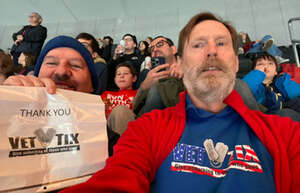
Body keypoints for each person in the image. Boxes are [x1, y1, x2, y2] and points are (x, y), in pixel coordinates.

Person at [60, 12, 300, 193]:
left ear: (237, 64)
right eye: (198, 45)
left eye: (222, 43)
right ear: (182, 63)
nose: (211, 51)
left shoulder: (286, 133)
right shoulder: (147, 130)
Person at [4, 35, 99, 95]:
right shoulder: (14, 105)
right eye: (51, 63)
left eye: (75, 65)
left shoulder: (112, 124)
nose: (61, 72)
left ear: (92, 85)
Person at [134, 36, 185, 116]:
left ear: (173, 49)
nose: (155, 49)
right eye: (151, 49)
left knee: (156, 90)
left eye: (160, 44)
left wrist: (186, 72)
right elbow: (134, 108)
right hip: (144, 120)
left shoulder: (188, 69)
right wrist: (143, 87)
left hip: (178, 118)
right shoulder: (149, 77)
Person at [243, 52, 300, 121]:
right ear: (253, 71)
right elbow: (243, 90)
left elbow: (296, 94)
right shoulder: (255, 86)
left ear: (276, 71)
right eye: (260, 64)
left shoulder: (283, 81)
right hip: (271, 117)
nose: (265, 66)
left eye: (270, 63)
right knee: (284, 114)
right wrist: (258, 73)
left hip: (292, 110)